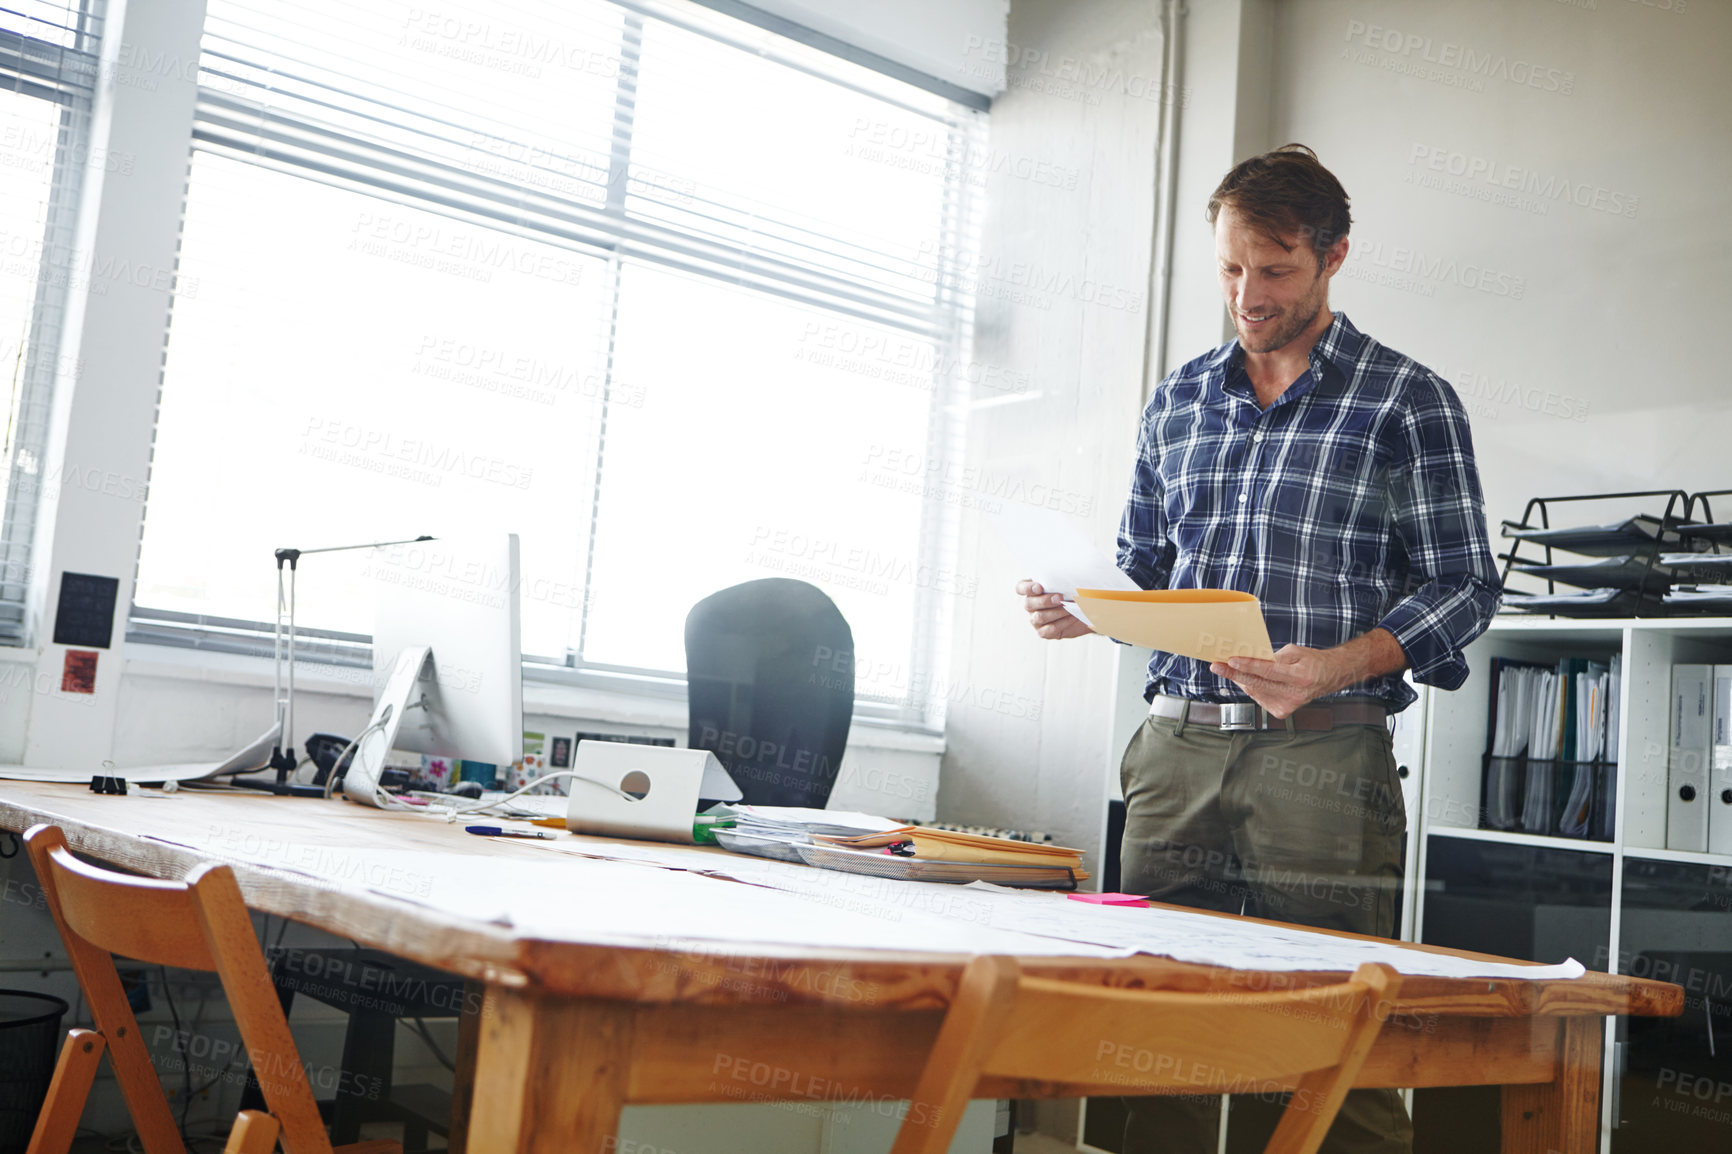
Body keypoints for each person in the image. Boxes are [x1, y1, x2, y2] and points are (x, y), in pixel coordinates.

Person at [1017, 144, 1501, 1154]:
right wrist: (1087, 605)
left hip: (1323, 758)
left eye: (1273, 270)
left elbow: (1465, 583)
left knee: (1335, 1030)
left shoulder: (1405, 400)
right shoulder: (1178, 399)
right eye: (1230, 268)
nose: (1247, 294)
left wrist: (1344, 658)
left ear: (1332, 258)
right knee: (1149, 1029)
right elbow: (1144, 564)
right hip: (1174, 750)